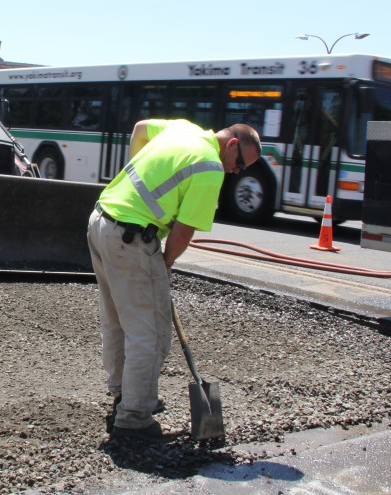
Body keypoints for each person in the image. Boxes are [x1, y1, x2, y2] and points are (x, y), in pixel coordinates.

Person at [87, 119, 261, 440]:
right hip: (131, 237)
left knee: (117, 317)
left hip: (101, 219)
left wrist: (138, 189)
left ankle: (125, 391)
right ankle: (135, 416)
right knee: (151, 332)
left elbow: (139, 129)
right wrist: (163, 264)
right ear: (232, 145)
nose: (236, 172)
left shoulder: (184, 129)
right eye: (238, 164)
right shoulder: (210, 167)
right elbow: (184, 230)